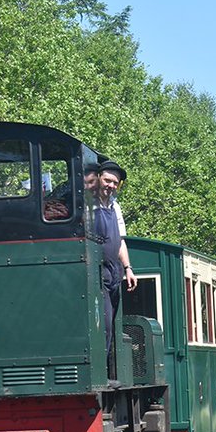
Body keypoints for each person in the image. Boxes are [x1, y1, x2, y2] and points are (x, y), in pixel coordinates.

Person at [93, 159, 136, 378]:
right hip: (95, 272)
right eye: (108, 180)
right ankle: (99, 373)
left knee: (110, 325)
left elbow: (120, 241)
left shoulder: (114, 206)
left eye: (115, 183)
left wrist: (128, 267)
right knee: (103, 322)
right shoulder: (88, 204)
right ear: (98, 178)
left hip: (113, 272)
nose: (110, 185)